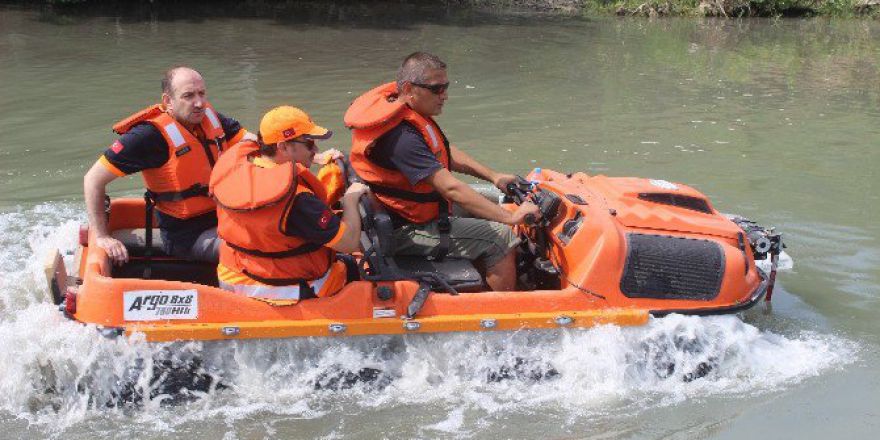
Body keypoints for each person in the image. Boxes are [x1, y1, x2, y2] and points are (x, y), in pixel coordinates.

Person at [346, 52, 539, 291]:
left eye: (445, 87)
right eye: (437, 89)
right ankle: (506, 315)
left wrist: (493, 176)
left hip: (408, 213)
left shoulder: (404, 112)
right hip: (405, 229)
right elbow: (451, 188)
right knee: (502, 238)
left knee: (492, 213)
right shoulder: (400, 137)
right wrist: (511, 217)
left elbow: (440, 151)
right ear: (409, 88)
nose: (445, 96)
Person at [83, 66, 254, 265]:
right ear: (168, 101)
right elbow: (92, 180)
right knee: (251, 250)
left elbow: (255, 144)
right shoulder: (148, 137)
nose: (199, 103)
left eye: (202, 93)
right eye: (188, 96)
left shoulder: (211, 119)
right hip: (187, 236)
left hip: (225, 217)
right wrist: (102, 237)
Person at [210, 106, 368, 300]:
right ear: (283, 147)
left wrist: (311, 158)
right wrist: (350, 199)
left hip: (235, 277)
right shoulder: (298, 201)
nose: (316, 149)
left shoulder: (240, 171)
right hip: (282, 288)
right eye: (309, 144)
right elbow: (350, 242)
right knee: (350, 268)